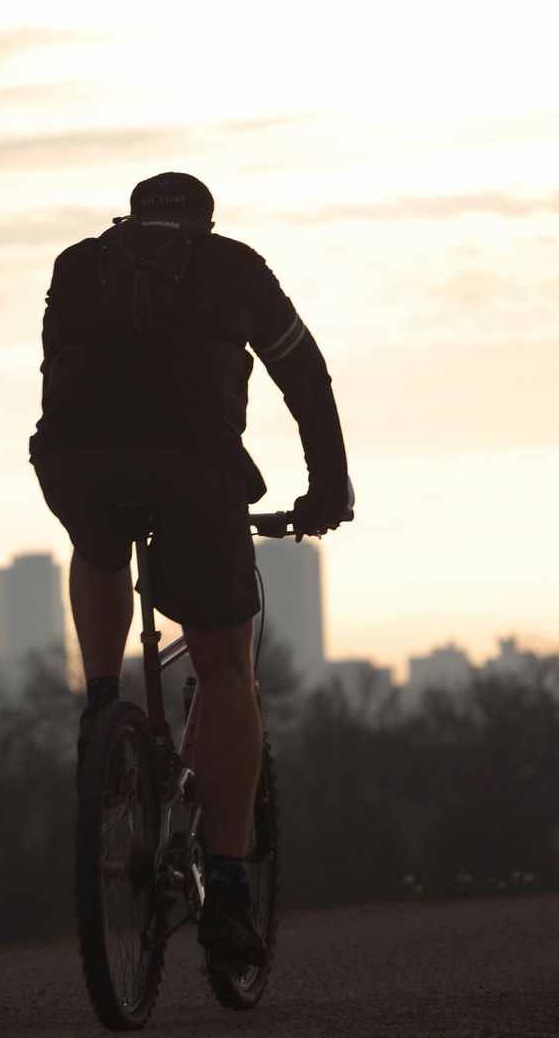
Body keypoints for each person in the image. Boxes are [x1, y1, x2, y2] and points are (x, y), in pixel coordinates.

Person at [28, 172, 351, 966]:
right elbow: (305, 378)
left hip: (73, 458)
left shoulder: (78, 266)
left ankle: (101, 710)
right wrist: (326, 487)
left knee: (98, 544)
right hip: (192, 465)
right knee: (225, 668)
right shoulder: (234, 266)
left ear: (129, 221)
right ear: (204, 224)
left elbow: (54, 376)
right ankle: (232, 889)